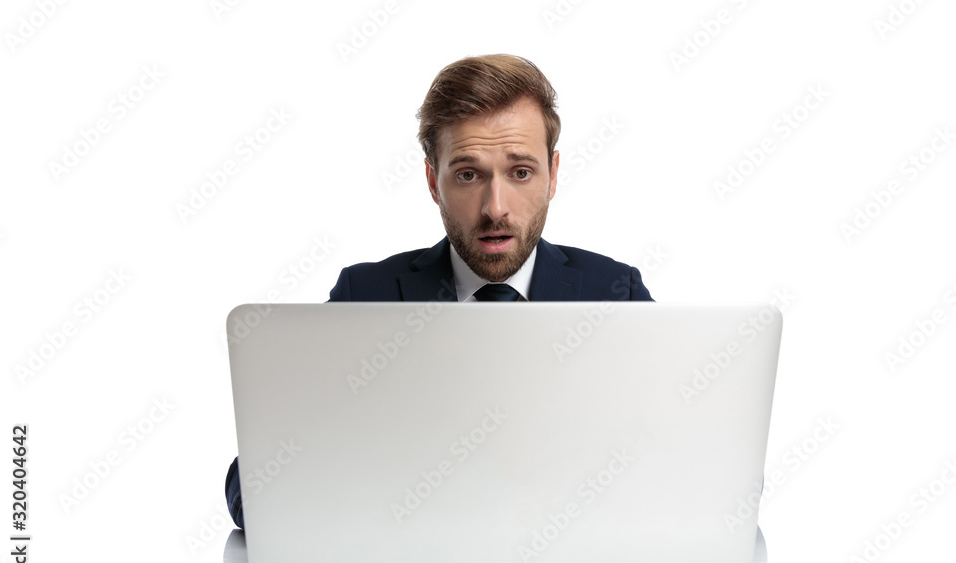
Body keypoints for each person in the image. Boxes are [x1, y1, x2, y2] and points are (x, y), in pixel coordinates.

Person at [225, 54, 654, 529]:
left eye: (521, 172)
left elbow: (706, 470)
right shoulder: (366, 297)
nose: (496, 208)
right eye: (468, 174)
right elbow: (250, 491)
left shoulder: (616, 294)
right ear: (434, 181)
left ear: (553, 175)